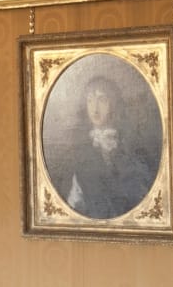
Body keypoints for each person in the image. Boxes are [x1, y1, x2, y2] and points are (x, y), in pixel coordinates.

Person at [44, 73, 157, 221]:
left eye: (102, 100)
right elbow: (73, 203)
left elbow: (143, 196)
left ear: (114, 103)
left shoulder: (132, 147)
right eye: (90, 101)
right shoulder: (79, 153)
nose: (95, 109)